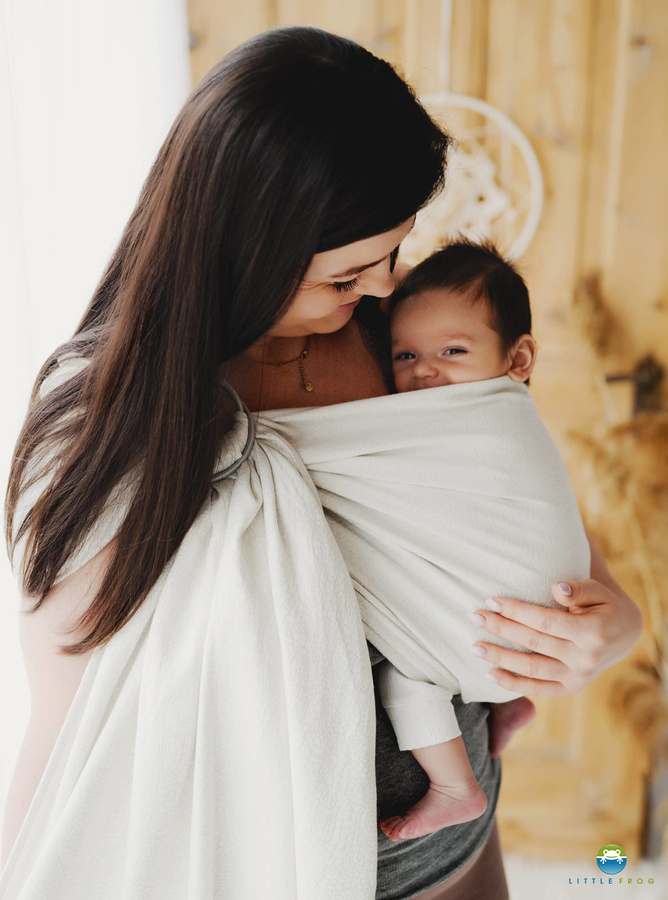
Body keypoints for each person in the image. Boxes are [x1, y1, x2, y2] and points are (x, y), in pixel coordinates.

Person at [1, 27, 642, 900]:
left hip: (453, 834)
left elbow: (508, 497)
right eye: (346, 276)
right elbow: (72, 723)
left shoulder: (398, 340)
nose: (381, 287)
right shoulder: (108, 429)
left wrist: (613, 624)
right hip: (268, 863)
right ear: (246, 248)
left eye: (392, 253)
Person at [362, 240, 585, 844]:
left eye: (452, 351)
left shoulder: (482, 416)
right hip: (527, 627)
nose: (425, 370)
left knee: (407, 672)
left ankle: (455, 787)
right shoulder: (495, 404)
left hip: (521, 609)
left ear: (519, 358)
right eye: (404, 354)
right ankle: (508, 704)